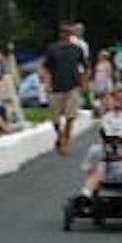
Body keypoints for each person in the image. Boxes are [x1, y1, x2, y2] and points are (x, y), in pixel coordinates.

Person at [41, 22, 88, 154]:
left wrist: (84, 82)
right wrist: (47, 82)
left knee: (70, 115)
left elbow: (85, 66)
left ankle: (65, 140)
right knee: (55, 118)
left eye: (70, 33)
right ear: (61, 34)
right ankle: (59, 135)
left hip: (73, 86)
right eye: (65, 32)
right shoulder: (53, 49)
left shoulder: (76, 49)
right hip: (56, 86)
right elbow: (46, 67)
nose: (67, 35)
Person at [83, 112, 122, 195]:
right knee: (97, 173)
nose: (115, 141)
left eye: (118, 138)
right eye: (111, 138)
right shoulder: (96, 150)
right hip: (102, 180)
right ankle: (86, 193)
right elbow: (90, 170)